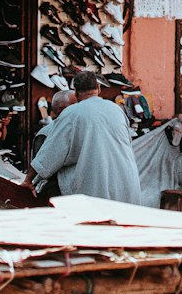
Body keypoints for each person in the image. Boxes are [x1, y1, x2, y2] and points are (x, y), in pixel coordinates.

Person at [28, 71, 142, 205]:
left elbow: (49, 154)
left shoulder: (71, 113)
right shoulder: (116, 110)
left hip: (95, 191)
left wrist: (28, 180)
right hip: (127, 185)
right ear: (99, 89)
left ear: (75, 92)